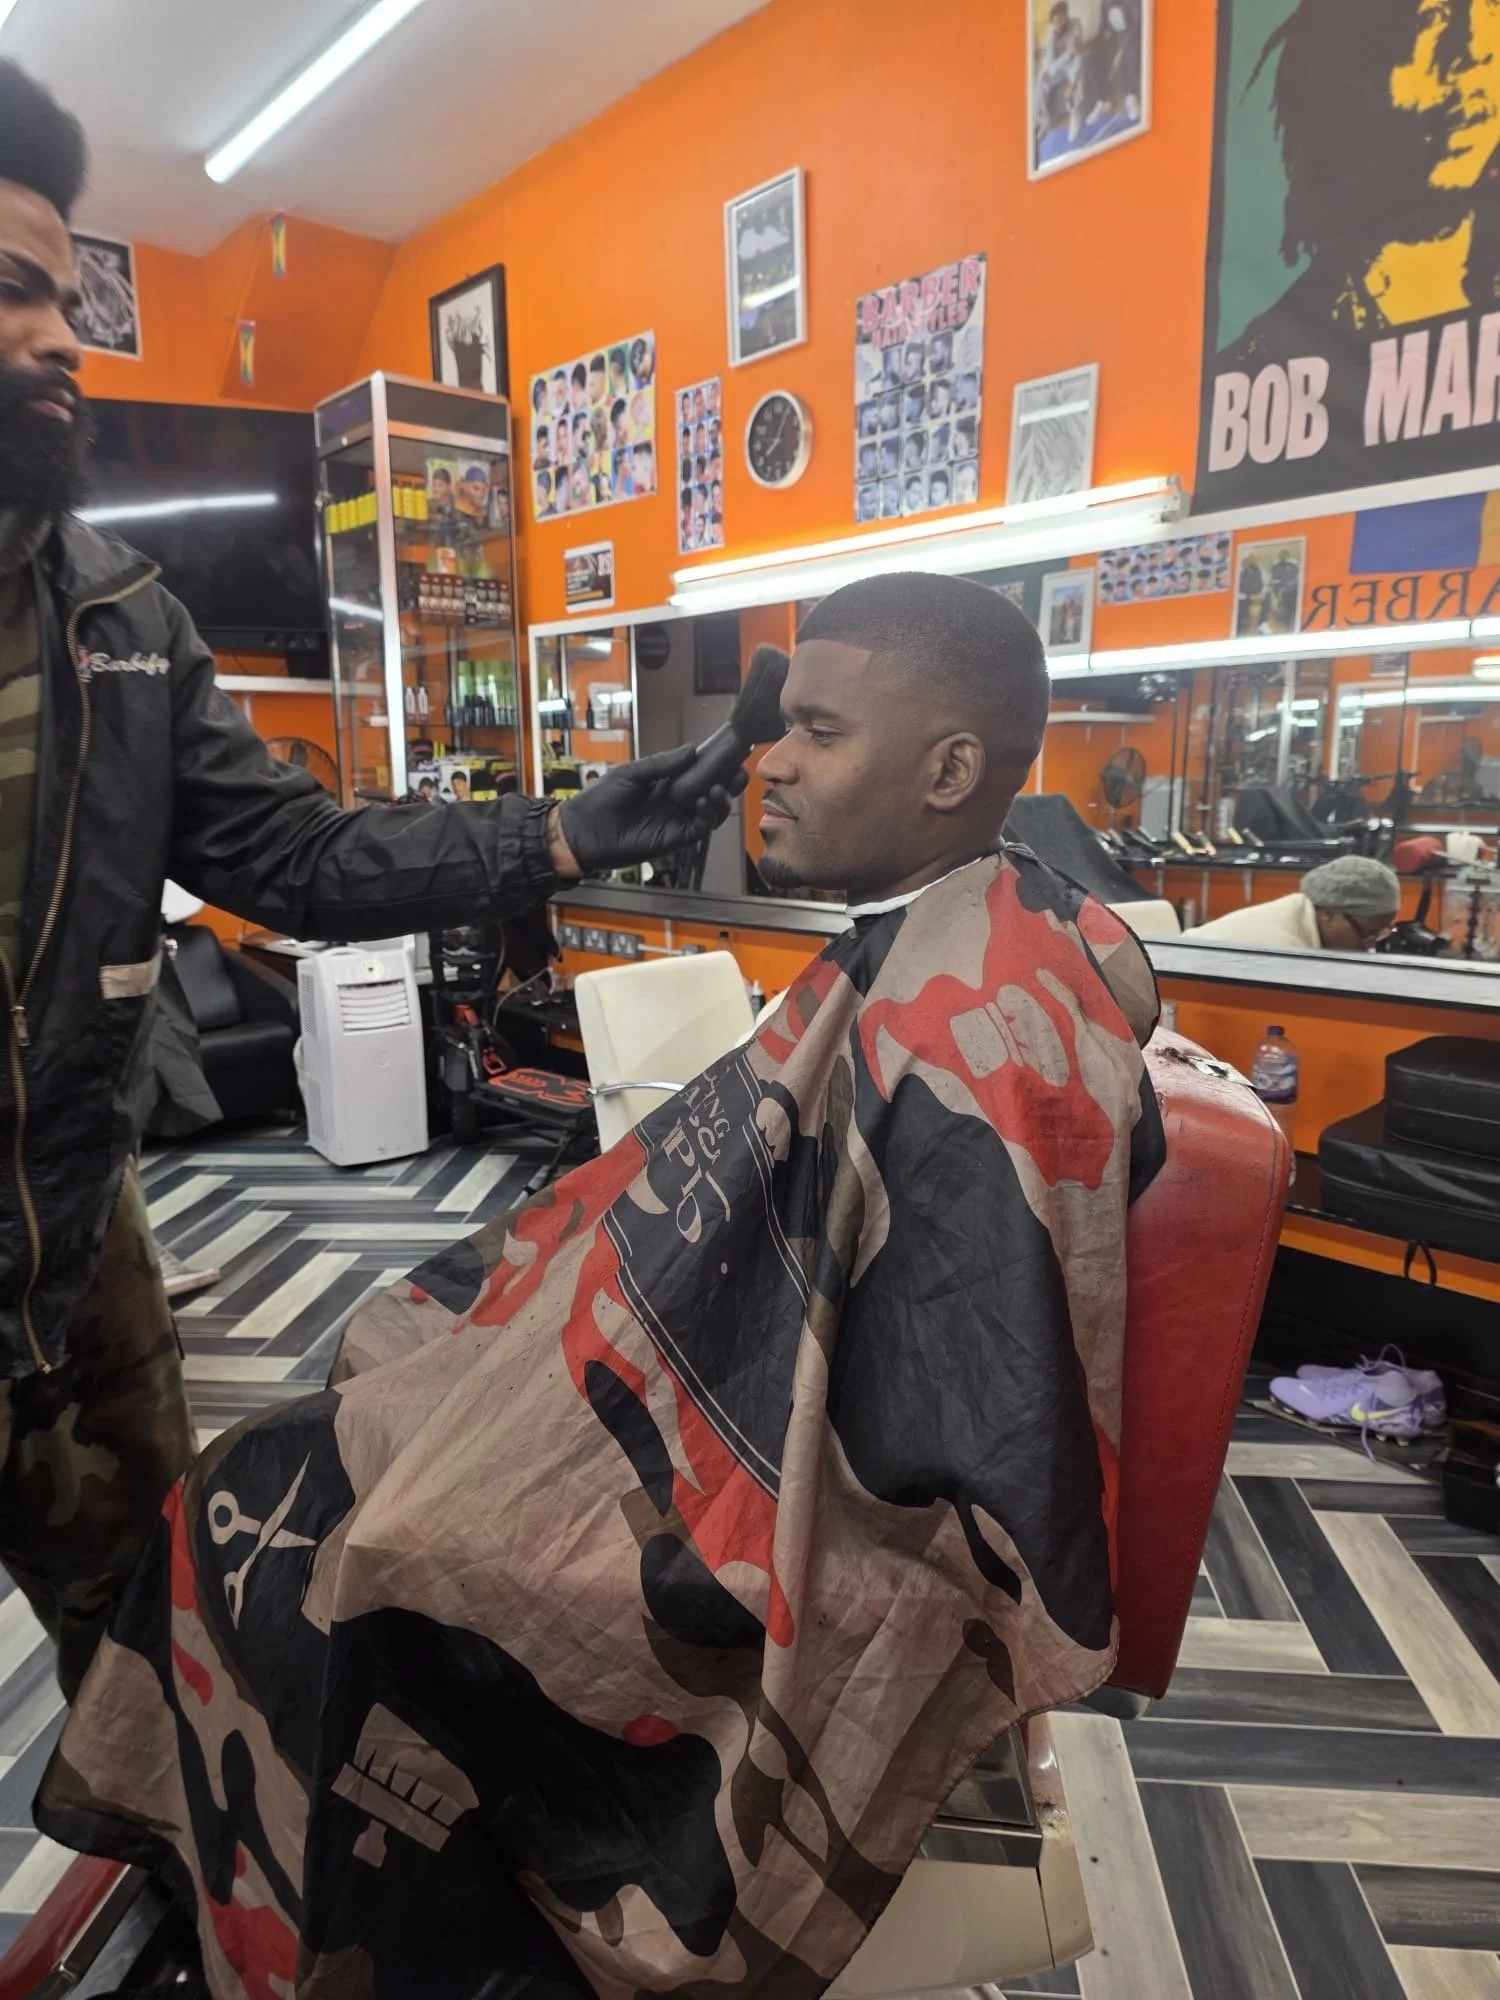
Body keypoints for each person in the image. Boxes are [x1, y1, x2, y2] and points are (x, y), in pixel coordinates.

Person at [42, 573, 1163, 2000]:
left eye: (818, 732)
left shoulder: (988, 1031)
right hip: (688, 1401)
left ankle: (342, 1928)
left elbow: (966, 1451)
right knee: (322, 1430)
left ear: (951, 770)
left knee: (283, 1528)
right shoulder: (977, 939)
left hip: (763, 1523)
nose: (774, 761)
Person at [0, 59, 744, 1702]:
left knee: (154, 1650)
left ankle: (189, 1898)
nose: (64, 335)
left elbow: (301, 855)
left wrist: (562, 832)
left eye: (67, 296)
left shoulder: (121, 627)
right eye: (12, 291)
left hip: (71, 1245)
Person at [1184, 855, 1401, 950]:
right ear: (1328, 914)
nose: (1370, 946)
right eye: (1367, 934)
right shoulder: (1281, 950)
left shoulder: (1305, 911)